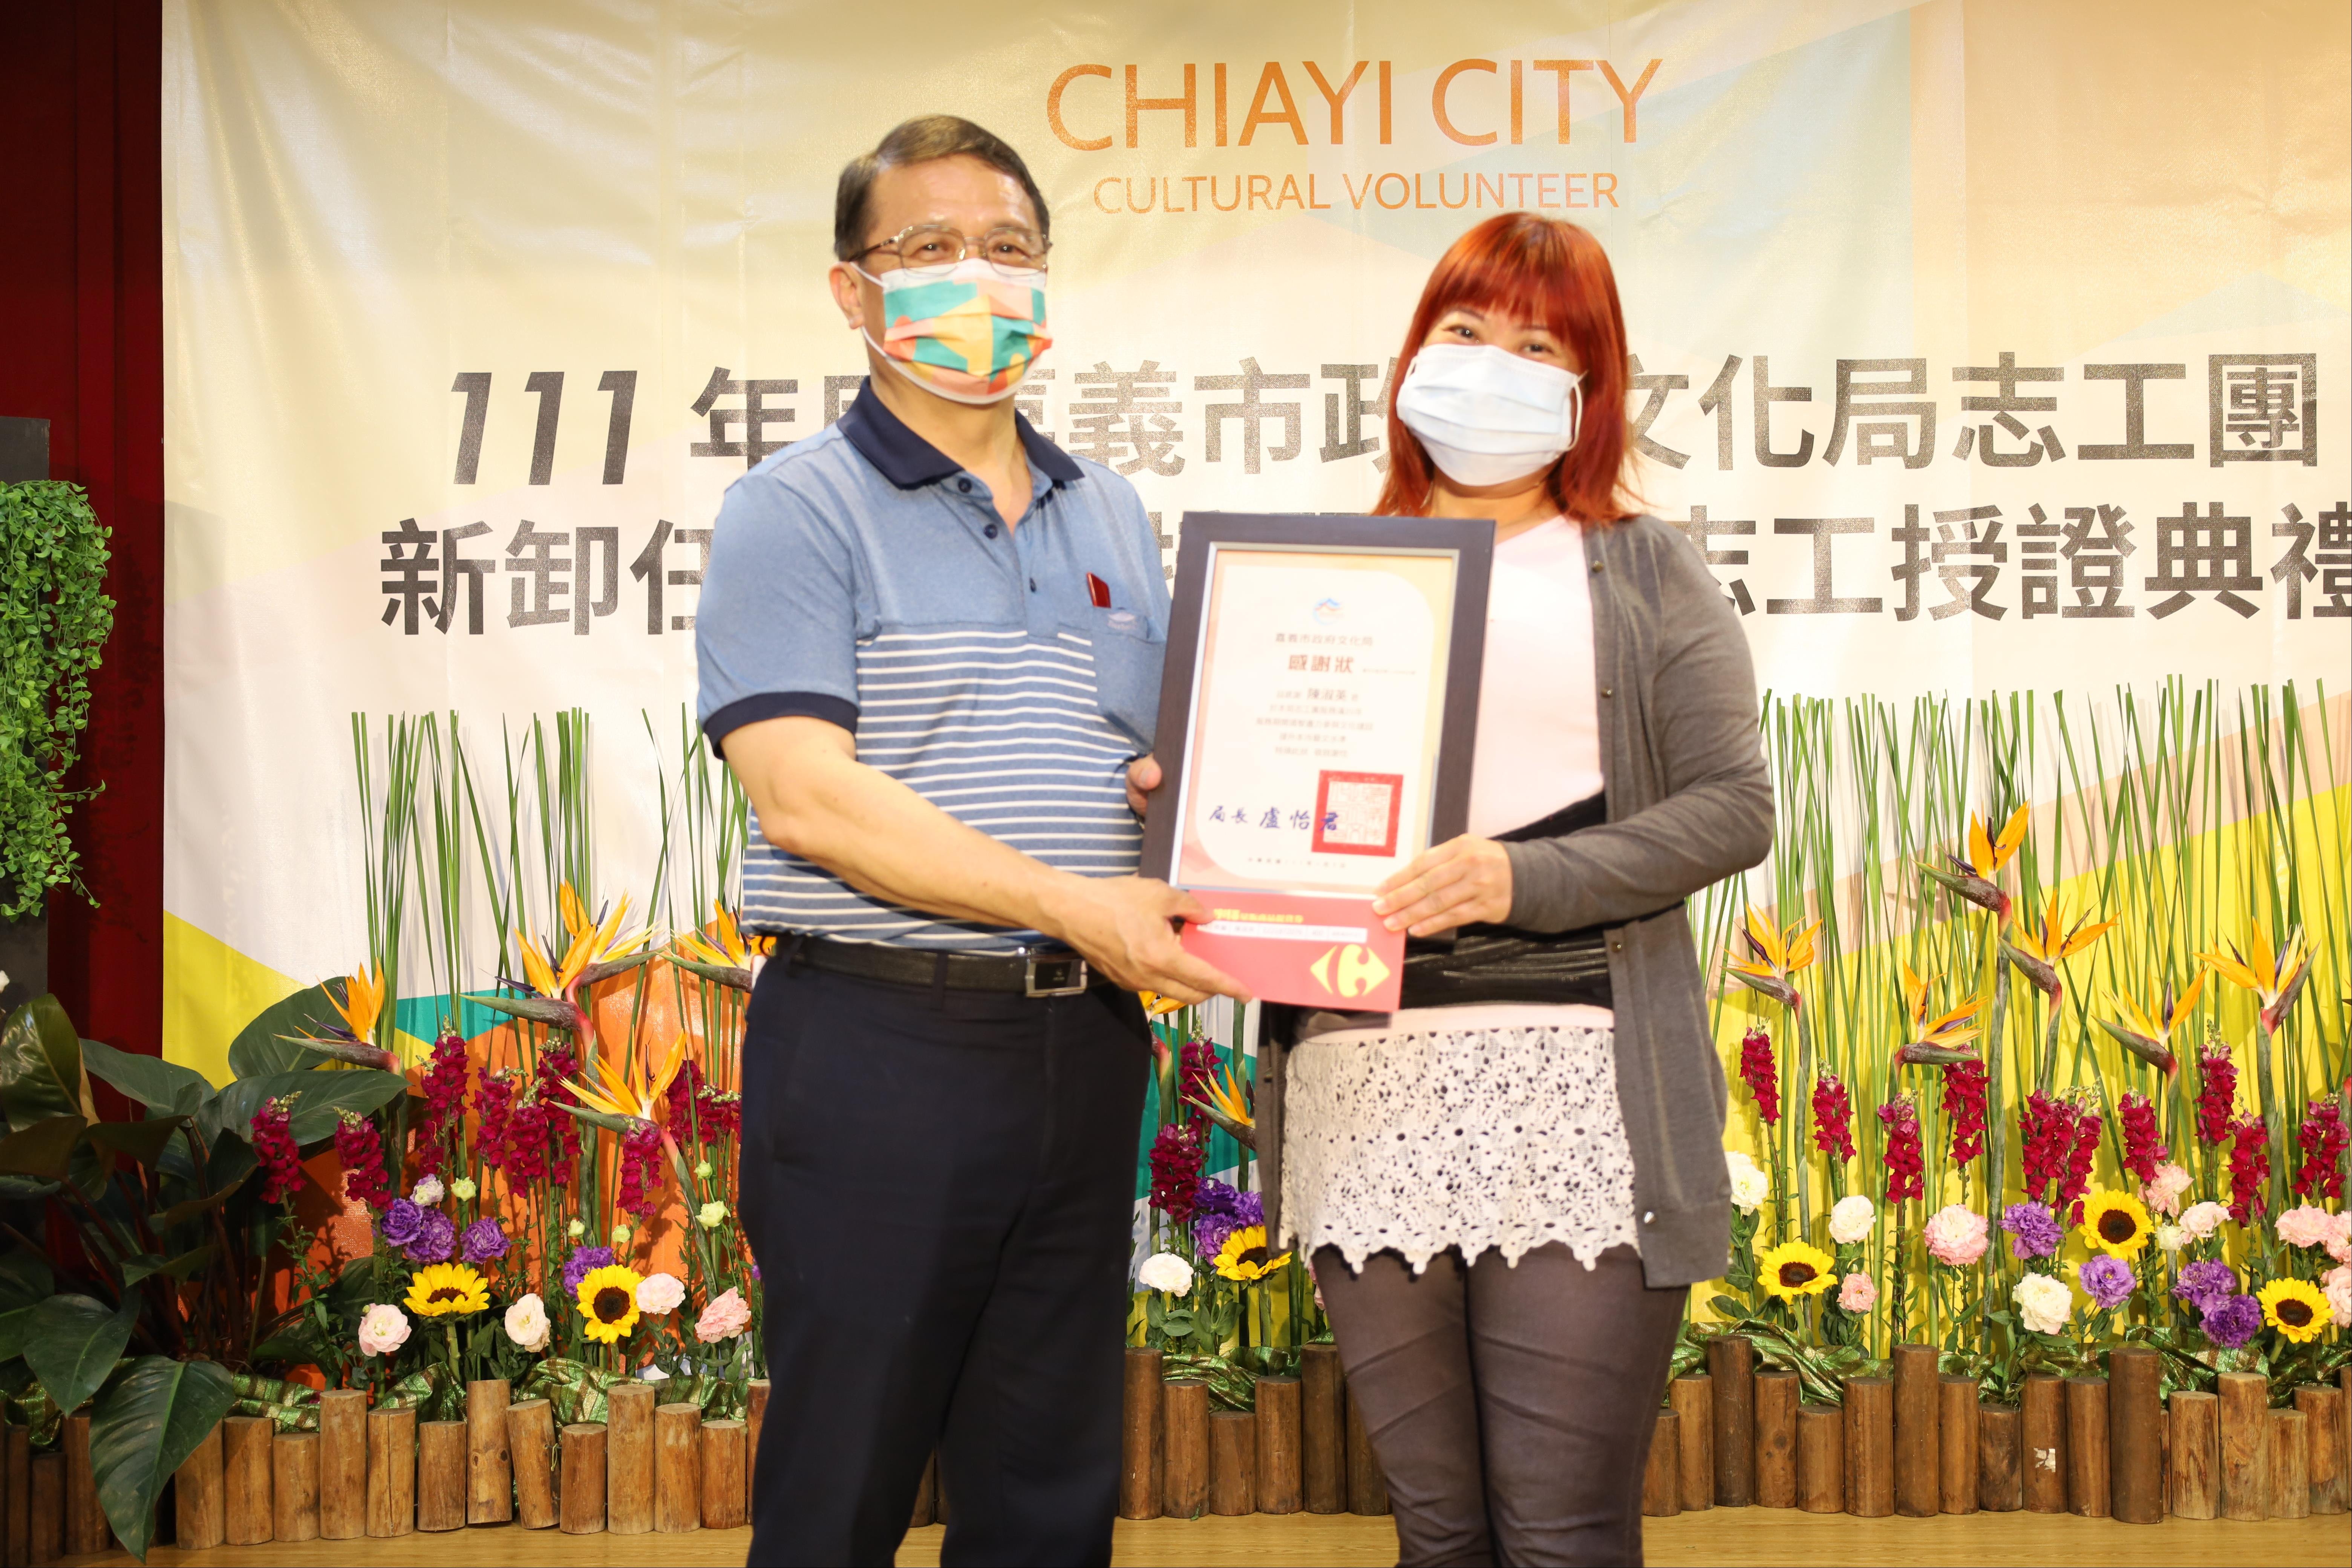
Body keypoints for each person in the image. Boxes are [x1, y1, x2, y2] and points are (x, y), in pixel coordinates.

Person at [694, 115, 1242, 1568]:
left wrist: (1206, 803)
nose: (977, 276)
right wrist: (1069, 902)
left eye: (1008, 247)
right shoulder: (794, 509)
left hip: (1084, 1045)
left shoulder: (1107, 508)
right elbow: (805, 798)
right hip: (883, 1045)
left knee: (1049, 1490)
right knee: (841, 1488)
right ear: (852, 290)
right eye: (928, 248)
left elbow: (1144, 768)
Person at [1269, 213, 1771, 1566]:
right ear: (1411, 356)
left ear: (1590, 386)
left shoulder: (1646, 568)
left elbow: (1733, 808)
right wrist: (1189, 809)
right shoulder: (1316, 572)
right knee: (1437, 1533)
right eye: (1464, 330)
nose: (1491, 366)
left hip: (1578, 1087)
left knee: (1562, 1536)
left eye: (1538, 346)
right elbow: (1256, 810)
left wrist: (1518, 874)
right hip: (1363, 1079)